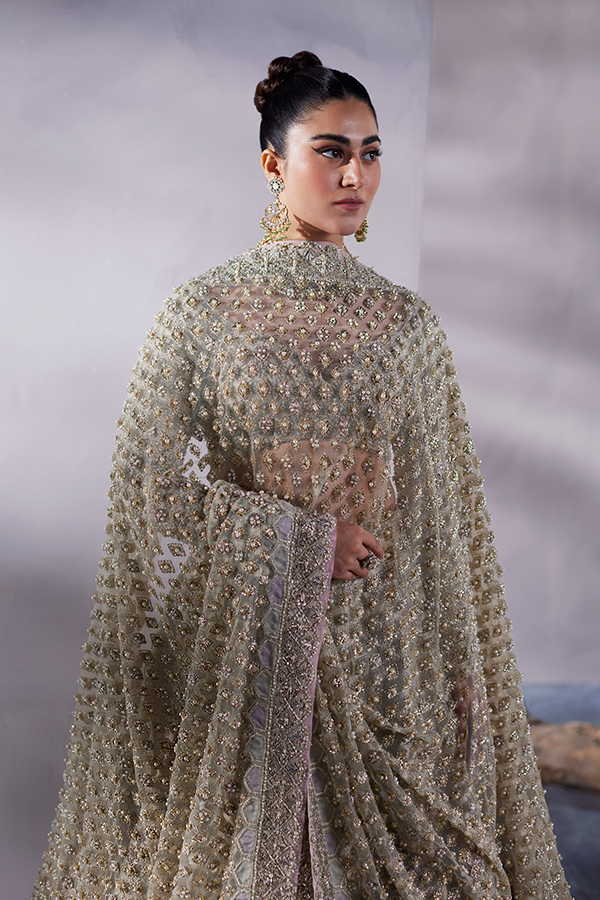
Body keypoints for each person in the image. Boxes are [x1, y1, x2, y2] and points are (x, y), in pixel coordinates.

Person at [33, 51, 571, 900]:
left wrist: (462, 667)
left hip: (388, 647)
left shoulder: (408, 325)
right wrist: (304, 541)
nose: (356, 175)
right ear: (273, 164)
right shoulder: (203, 314)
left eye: (371, 153)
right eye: (331, 151)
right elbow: (153, 491)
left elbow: (441, 520)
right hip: (250, 639)